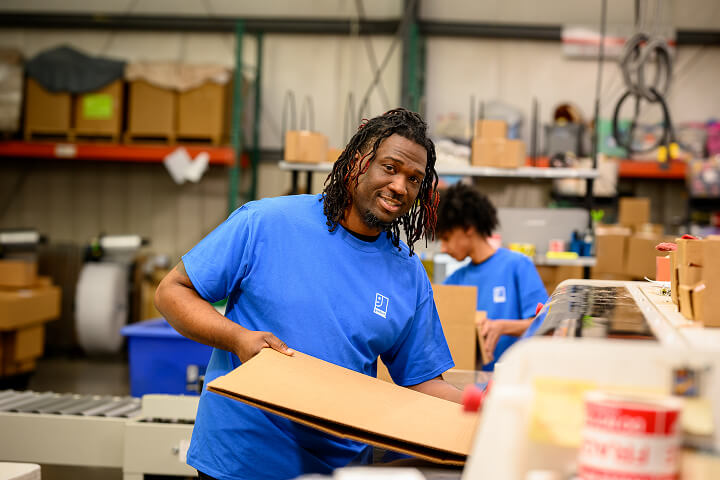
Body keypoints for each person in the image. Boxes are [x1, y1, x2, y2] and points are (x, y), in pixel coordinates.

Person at [154, 108, 463, 480]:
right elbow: (172, 291)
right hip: (240, 460)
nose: (400, 186)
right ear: (356, 163)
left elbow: (420, 380)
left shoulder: (407, 273)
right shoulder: (266, 222)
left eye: (414, 179)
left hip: (337, 468)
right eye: (390, 168)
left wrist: (491, 405)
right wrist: (237, 338)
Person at [436, 183, 548, 372]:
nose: (443, 248)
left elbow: (545, 325)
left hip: (514, 377)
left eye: (446, 238)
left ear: (468, 228)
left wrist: (502, 327)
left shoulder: (517, 265)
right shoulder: (454, 281)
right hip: (471, 384)